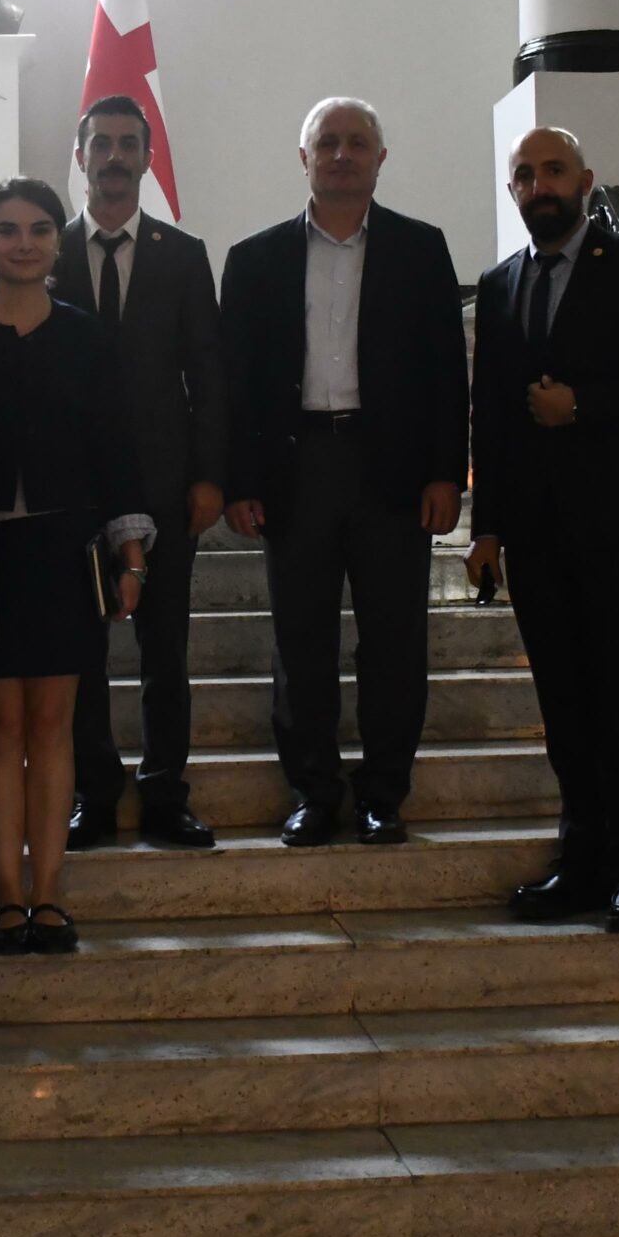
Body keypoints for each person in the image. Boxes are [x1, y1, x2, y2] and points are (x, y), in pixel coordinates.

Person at [467, 127, 619, 935]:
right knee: (563, 708)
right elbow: (490, 414)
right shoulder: (499, 284)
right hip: (533, 533)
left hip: (618, 525)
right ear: (513, 190)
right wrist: (486, 528)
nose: (540, 185)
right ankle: (582, 863)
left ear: (586, 179)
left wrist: (585, 405)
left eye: (554, 170)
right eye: (524, 175)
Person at [220, 97, 466, 847]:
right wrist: (240, 480)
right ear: (305, 158)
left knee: (395, 641)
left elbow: (446, 372)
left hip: (390, 469)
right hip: (295, 468)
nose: (341, 153)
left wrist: (446, 472)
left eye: (358, 142)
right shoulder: (254, 259)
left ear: (380, 159)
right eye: (327, 142)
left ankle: (383, 794)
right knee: (302, 640)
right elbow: (235, 383)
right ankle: (314, 792)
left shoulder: (421, 249)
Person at [0, 177, 151, 954]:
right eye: (8, 229)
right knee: (0, 726)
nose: (24, 243)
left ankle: (49, 893)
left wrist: (130, 554)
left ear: (56, 242)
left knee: (53, 724)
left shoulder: (87, 335)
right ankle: (7, 894)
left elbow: (118, 447)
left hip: (68, 553)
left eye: (39, 229)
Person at [50, 95, 226, 851]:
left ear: (148, 158)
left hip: (164, 483)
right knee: (82, 655)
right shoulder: (45, 248)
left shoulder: (182, 254)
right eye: (102, 144)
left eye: (129, 143)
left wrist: (210, 475)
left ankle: (164, 794)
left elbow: (208, 374)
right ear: (81, 156)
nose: (115, 156)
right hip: (70, 488)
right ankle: (94, 793)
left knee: (165, 653)